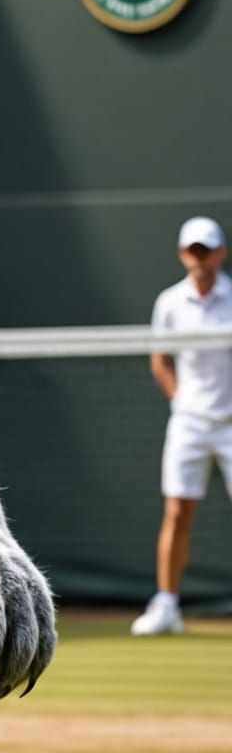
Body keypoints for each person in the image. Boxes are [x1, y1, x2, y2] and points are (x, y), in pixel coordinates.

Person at [137, 215, 232, 635]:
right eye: (193, 251)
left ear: (220, 253)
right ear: (182, 255)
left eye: (206, 250)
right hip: (189, 422)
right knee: (177, 511)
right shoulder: (170, 303)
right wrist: (182, 402)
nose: (200, 258)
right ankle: (167, 605)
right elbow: (160, 360)